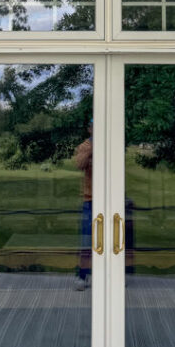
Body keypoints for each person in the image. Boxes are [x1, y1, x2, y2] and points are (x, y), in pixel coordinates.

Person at [73, 119, 93, 289]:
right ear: (89, 129)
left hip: (110, 199)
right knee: (87, 240)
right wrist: (93, 148)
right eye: (94, 126)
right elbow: (79, 164)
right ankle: (82, 275)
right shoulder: (85, 146)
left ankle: (112, 275)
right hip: (90, 200)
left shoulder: (111, 142)